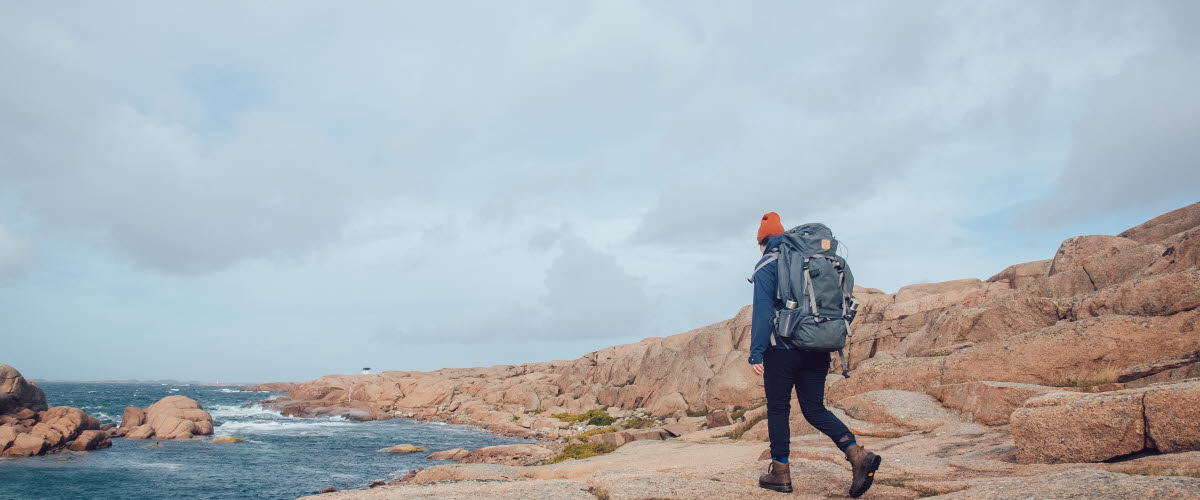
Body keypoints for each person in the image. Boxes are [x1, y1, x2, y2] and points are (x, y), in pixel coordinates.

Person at [749, 212, 881, 498]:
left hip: (782, 349)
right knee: (814, 409)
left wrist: (756, 352)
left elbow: (761, 311)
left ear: (763, 241)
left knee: (779, 409)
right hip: (818, 344)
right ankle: (856, 454)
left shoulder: (768, 263)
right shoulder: (816, 259)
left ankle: (780, 474)